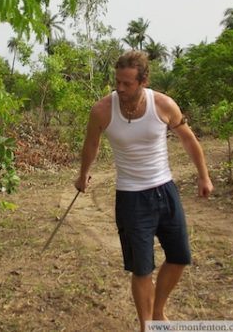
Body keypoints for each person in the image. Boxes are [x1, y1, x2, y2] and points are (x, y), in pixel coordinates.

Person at [74, 50, 214, 332]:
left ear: (144, 81)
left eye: (127, 83)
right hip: (130, 197)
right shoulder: (102, 109)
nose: (120, 88)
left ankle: (158, 313)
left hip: (165, 189)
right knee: (142, 269)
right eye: (117, 82)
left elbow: (188, 139)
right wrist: (83, 174)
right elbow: (91, 144)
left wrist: (204, 176)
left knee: (179, 257)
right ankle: (146, 326)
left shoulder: (163, 105)